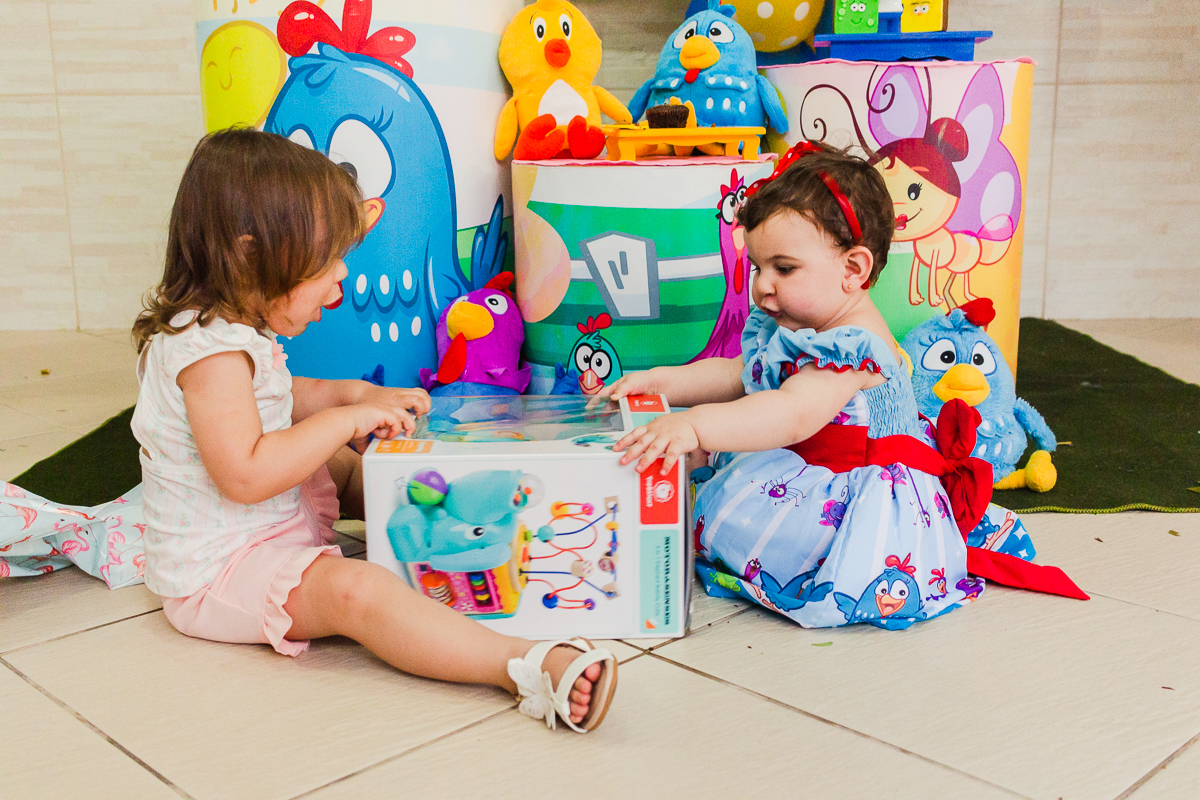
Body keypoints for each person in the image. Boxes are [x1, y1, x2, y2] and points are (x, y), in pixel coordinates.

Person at [129, 129, 616, 732]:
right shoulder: (207, 353)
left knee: (353, 466)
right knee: (356, 590)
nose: (341, 275)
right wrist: (343, 420)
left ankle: (441, 509)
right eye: (325, 261)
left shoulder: (237, 333)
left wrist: (354, 396)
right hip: (223, 570)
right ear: (252, 257)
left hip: (264, 522)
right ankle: (520, 665)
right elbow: (246, 474)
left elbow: (282, 395)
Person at [609, 140, 990, 630]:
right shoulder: (802, 325)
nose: (762, 285)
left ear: (853, 269)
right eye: (757, 267)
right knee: (717, 454)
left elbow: (791, 414)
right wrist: (661, 381)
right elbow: (735, 374)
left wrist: (695, 426)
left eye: (783, 268)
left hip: (856, 492)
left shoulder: (855, 347)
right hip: (813, 459)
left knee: (732, 491)